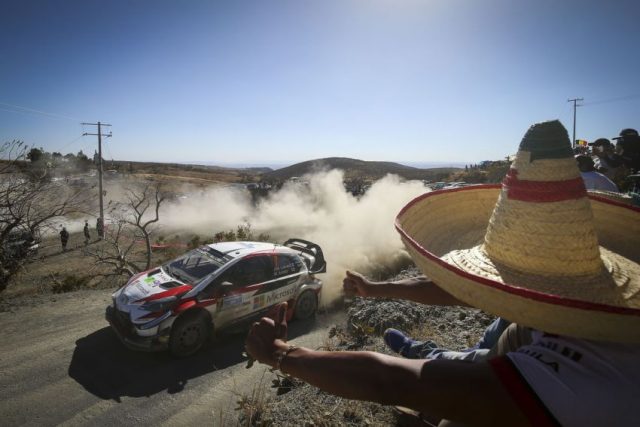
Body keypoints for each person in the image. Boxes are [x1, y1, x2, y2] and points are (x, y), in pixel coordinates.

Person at [245, 120, 640, 427]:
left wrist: (282, 355)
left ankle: (438, 357)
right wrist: (376, 288)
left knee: (464, 392)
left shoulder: (585, 383)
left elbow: (392, 383)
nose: (493, 288)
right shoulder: (588, 308)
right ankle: (448, 357)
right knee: (506, 338)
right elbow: (466, 292)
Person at [343, 272, 510, 362]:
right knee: (491, 341)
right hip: (511, 330)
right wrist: (373, 289)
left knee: (477, 365)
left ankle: (427, 355)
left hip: (521, 367)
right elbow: (459, 290)